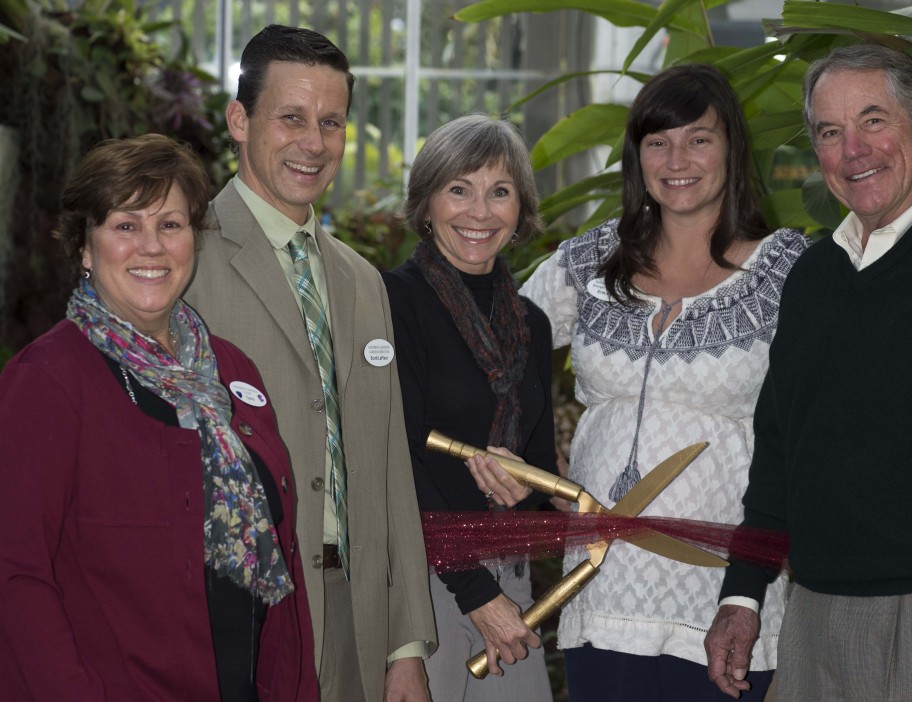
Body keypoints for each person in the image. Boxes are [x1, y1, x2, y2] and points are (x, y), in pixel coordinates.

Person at [705, 43, 912, 702]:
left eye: (873, 121)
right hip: (813, 613)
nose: (854, 149)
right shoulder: (814, 277)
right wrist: (743, 590)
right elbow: (779, 449)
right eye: (830, 131)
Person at [520, 64, 809, 701]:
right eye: (658, 142)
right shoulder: (589, 263)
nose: (678, 159)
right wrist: (535, 468)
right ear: (636, 157)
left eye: (699, 139)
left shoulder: (788, 271)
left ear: (732, 148)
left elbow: (835, 416)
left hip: (729, 595)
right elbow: (493, 358)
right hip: (604, 588)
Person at [0, 134, 318, 701]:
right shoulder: (47, 381)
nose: (152, 247)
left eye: (170, 225)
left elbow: (280, 558)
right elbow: (16, 575)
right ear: (84, 247)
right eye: (126, 226)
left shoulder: (230, 368)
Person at [184, 25, 436, 702]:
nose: (314, 143)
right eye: (291, 118)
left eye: (331, 122)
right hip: (243, 618)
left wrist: (406, 645)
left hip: (360, 619)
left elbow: (388, 468)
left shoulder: (360, 282)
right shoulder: (180, 265)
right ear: (239, 120)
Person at [382, 114, 556, 701]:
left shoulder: (530, 323)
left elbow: (540, 460)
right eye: (459, 188)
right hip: (429, 588)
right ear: (426, 203)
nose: (479, 212)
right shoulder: (392, 303)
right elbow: (393, 463)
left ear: (520, 210)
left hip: (510, 578)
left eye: (499, 192)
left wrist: (524, 486)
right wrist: (475, 593)